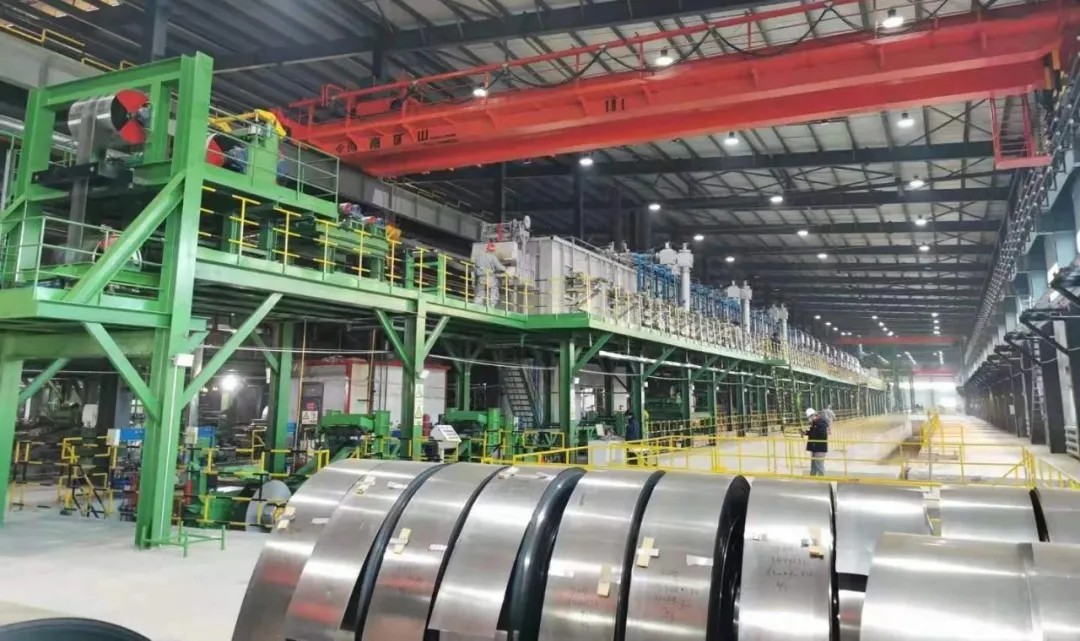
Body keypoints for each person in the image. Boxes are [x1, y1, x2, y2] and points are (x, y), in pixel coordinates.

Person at [474, 241, 504, 306]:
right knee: (494, 289)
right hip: (490, 277)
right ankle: (492, 304)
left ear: (486, 249)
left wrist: (475, 279)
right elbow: (500, 267)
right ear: (493, 251)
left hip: (481, 277)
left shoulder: (479, 258)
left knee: (480, 292)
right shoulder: (493, 258)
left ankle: (477, 304)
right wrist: (505, 269)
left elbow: (475, 269)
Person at [804, 407, 828, 477]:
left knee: (819, 464)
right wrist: (806, 432)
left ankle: (822, 479)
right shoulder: (815, 423)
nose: (809, 419)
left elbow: (823, 435)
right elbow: (812, 432)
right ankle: (812, 478)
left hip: (820, 448)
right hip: (814, 447)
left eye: (809, 417)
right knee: (813, 464)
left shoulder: (821, 423)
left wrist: (812, 434)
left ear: (813, 415)